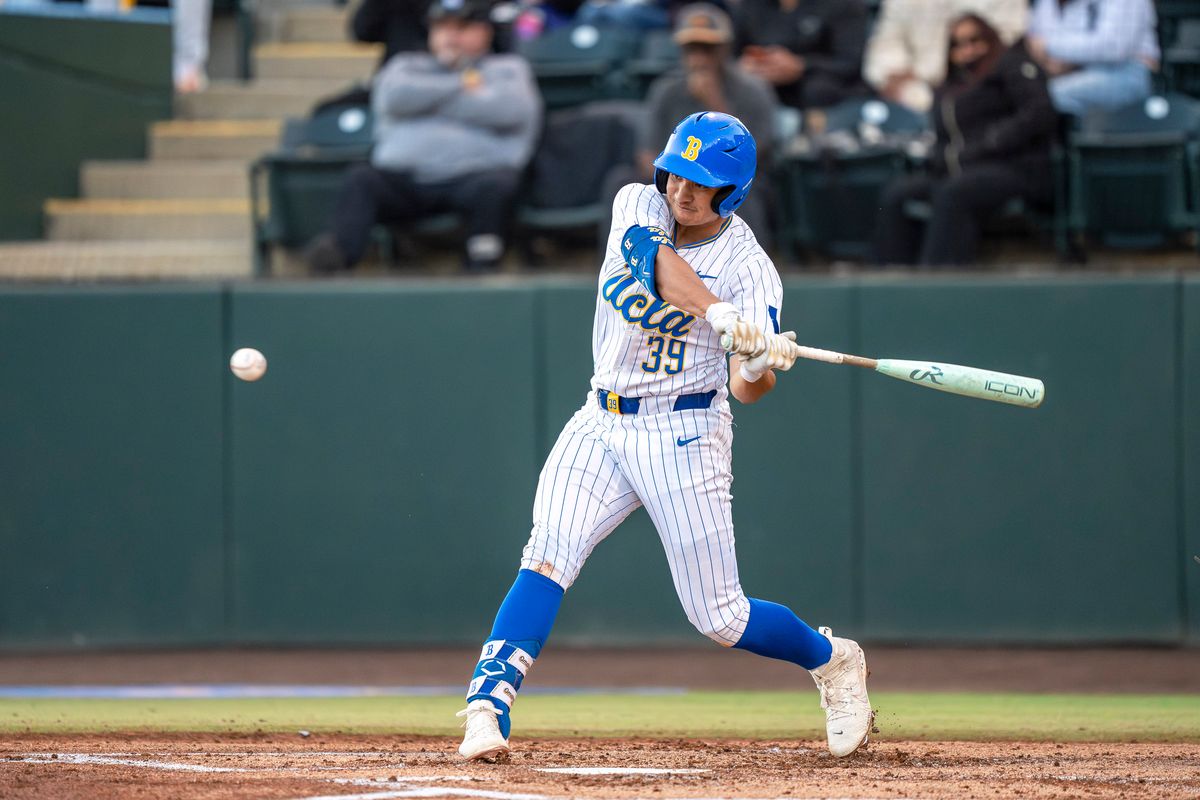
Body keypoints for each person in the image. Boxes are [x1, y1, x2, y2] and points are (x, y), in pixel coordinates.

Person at [455, 112, 874, 763]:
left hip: (686, 430)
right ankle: (487, 707)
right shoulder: (637, 203)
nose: (682, 189)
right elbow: (651, 260)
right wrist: (717, 312)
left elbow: (749, 390)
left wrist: (755, 362)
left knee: (720, 618)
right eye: (678, 172)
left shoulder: (750, 269)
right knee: (547, 555)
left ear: (730, 192)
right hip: (601, 418)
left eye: (701, 182)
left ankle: (833, 660)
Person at [305, 0, 542, 273]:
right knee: (362, 178)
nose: (450, 36)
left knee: (498, 186)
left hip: (474, 178)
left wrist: (428, 100)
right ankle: (337, 256)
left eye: (462, 27)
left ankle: (481, 265)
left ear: (485, 31)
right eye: (441, 27)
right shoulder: (405, 65)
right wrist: (462, 87)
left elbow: (510, 109)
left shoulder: (509, 68)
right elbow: (394, 98)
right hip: (407, 181)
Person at [872, 14, 1059, 267]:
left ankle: (939, 275)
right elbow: (944, 138)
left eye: (974, 40)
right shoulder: (951, 86)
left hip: (1013, 166)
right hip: (960, 168)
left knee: (953, 192)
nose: (967, 50)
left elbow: (1039, 112)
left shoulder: (1012, 65)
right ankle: (891, 273)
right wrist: (940, 158)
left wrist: (992, 141)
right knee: (897, 193)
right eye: (958, 44)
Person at [603, 3, 778, 246]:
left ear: (725, 49)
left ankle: (746, 263)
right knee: (621, 182)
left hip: (727, 180)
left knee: (743, 194)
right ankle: (624, 262)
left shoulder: (751, 88)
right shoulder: (666, 90)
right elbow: (646, 153)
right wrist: (676, 185)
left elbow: (758, 152)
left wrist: (714, 100)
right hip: (673, 178)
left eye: (708, 49)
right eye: (692, 48)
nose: (699, 56)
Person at [864, 0, 1028, 112]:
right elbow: (886, 45)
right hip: (917, 91)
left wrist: (921, 72)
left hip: (982, 87)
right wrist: (894, 77)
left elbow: (1002, 41)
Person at [1027, 0, 1159, 116]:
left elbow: (1113, 47)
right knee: (1025, 90)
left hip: (1125, 73)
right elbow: (1050, 37)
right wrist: (1052, 59)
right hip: (1081, 71)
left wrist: (1048, 46)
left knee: (1045, 95)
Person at [732, 0, 868, 110]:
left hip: (819, 91)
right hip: (760, 86)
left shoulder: (842, 4)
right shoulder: (751, 4)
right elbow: (734, 53)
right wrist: (747, 65)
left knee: (819, 89)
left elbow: (850, 62)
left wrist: (801, 65)